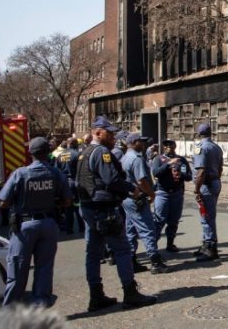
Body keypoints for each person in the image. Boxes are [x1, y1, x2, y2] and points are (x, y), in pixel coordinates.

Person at [76, 116, 156, 311]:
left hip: (89, 208)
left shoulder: (84, 152)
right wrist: (133, 189)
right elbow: (112, 180)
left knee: (93, 254)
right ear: (97, 132)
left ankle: (96, 296)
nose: (113, 137)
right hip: (104, 209)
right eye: (108, 133)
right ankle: (130, 293)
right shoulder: (102, 152)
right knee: (122, 250)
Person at [0, 137, 71, 306]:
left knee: (18, 267)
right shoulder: (56, 173)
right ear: (48, 153)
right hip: (49, 224)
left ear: (30, 153)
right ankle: (40, 304)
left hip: (24, 226)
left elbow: (3, 203)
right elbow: (67, 201)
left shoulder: (20, 173)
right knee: (44, 267)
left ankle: (11, 309)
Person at [120, 133, 168, 274]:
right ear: (134, 142)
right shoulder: (136, 158)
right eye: (142, 141)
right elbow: (141, 181)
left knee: (130, 230)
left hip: (128, 199)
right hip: (138, 198)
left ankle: (131, 259)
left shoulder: (125, 157)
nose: (144, 144)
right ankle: (155, 261)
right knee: (148, 229)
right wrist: (151, 194)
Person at [150, 139, 191, 252]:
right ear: (164, 148)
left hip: (177, 193)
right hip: (162, 193)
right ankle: (153, 247)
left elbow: (189, 176)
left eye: (171, 145)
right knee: (159, 220)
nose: (169, 147)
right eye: (166, 145)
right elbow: (156, 173)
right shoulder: (159, 159)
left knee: (174, 221)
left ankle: (170, 244)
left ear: (175, 146)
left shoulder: (181, 160)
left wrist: (181, 174)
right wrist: (168, 164)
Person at [192, 123, 224, 262]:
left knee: (206, 216)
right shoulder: (216, 147)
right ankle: (206, 244)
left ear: (199, 134)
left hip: (206, 184)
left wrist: (196, 189)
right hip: (215, 181)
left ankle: (211, 247)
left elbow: (201, 171)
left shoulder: (200, 147)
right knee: (209, 214)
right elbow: (221, 167)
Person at [55, 138, 83, 234]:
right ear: (75, 144)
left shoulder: (59, 155)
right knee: (78, 206)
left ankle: (69, 229)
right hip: (75, 182)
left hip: (64, 184)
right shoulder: (77, 154)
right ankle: (81, 228)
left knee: (67, 207)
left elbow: (56, 171)